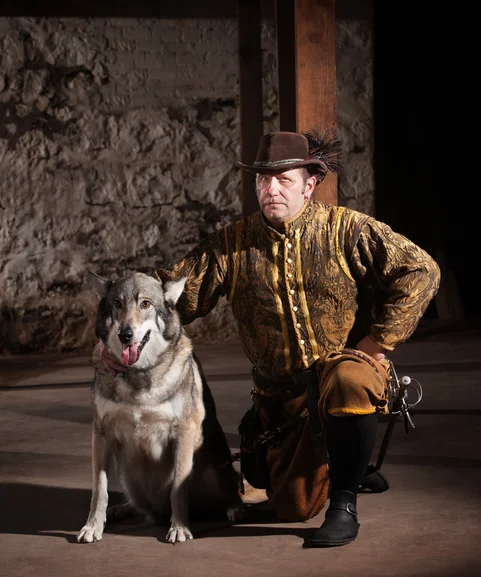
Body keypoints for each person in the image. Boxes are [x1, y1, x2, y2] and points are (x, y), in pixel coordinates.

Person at [102, 131, 440, 547]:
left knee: (348, 380)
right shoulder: (232, 245)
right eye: (264, 180)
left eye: (284, 180)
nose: (271, 189)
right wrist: (120, 338)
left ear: (309, 185)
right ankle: (347, 462)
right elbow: (170, 295)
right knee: (291, 504)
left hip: (342, 374)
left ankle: (344, 503)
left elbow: (422, 271)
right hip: (284, 403)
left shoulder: (348, 230)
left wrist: (376, 346)